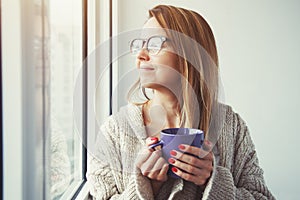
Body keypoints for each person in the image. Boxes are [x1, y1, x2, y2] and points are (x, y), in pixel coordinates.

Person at [87, 4, 275, 200]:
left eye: (154, 44)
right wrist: (145, 187)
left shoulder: (231, 127)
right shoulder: (114, 132)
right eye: (138, 45)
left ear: (190, 54)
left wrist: (212, 182)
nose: (141, 55)